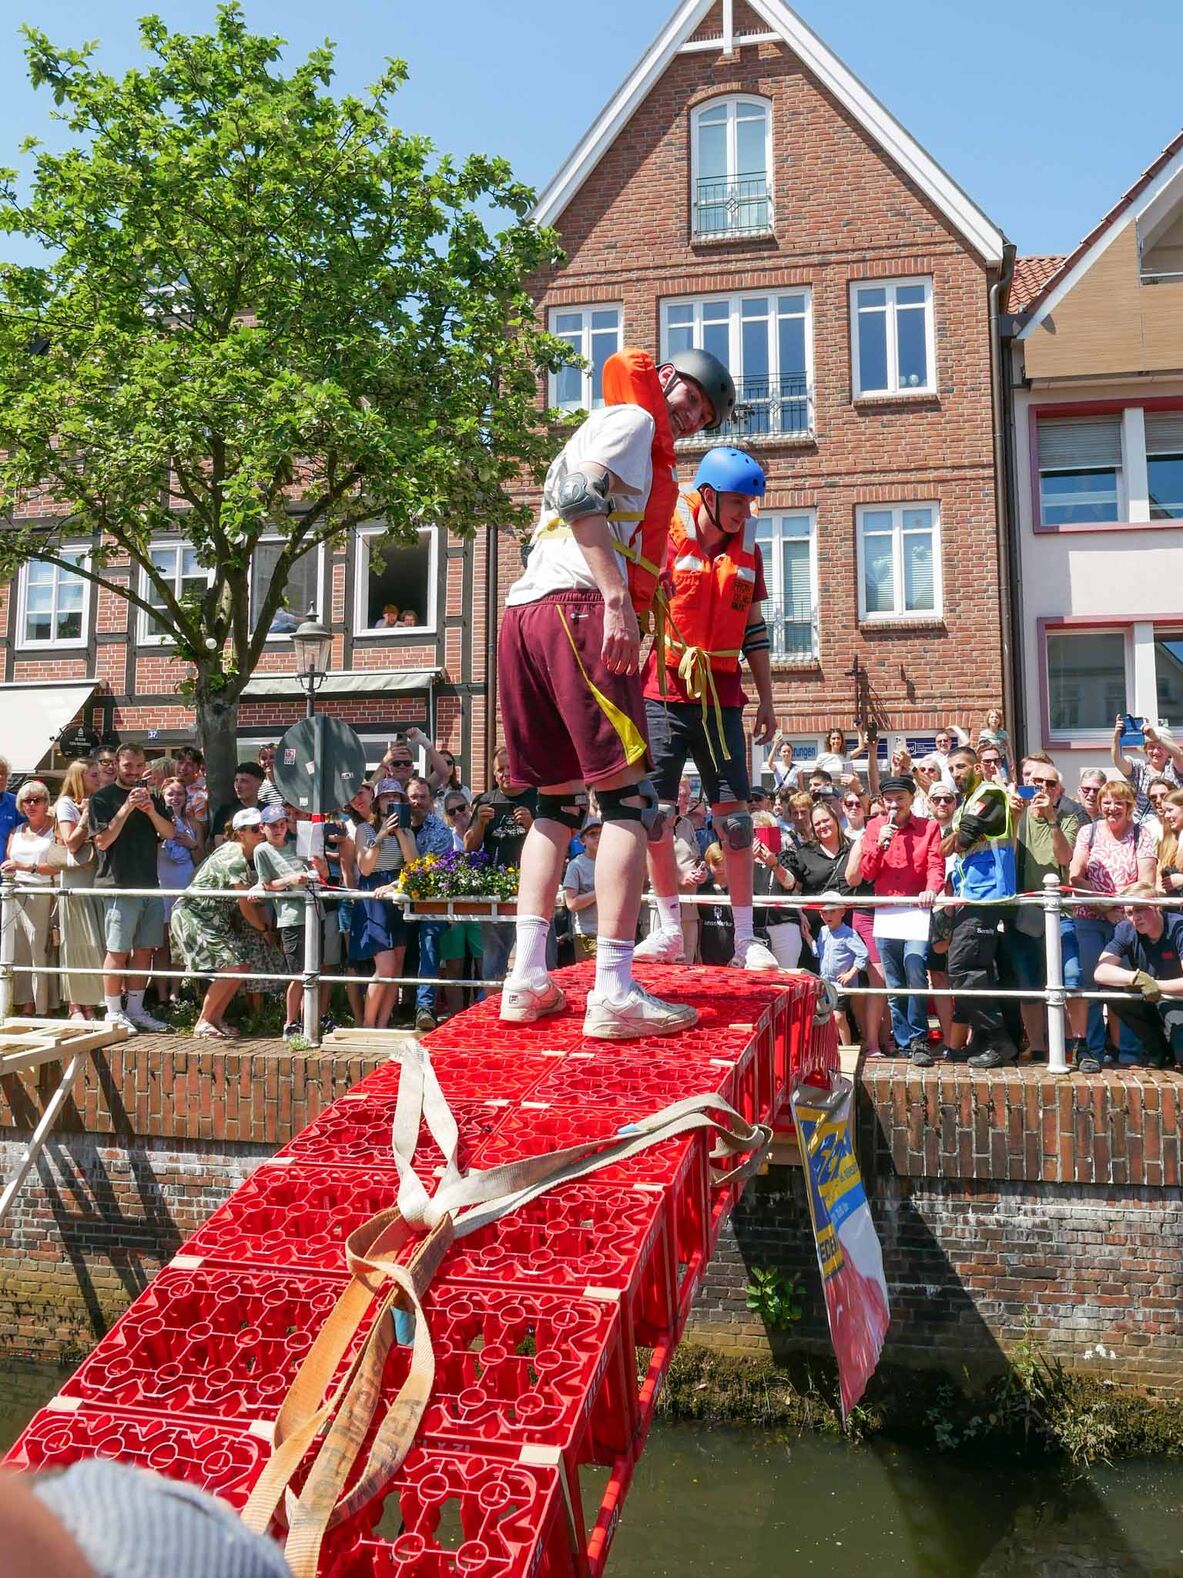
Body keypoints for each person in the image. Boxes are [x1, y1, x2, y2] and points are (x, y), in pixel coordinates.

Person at [495, 343, 734, 1038]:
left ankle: (526, 978)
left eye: (701, 416)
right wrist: (616, 602)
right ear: (665, 378)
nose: (689, 418)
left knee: (556, 803)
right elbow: (578, 500)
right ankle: (613, 990)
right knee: (629, 799)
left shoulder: (601, 424)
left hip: (527, 611)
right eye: (688, 400)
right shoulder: (632, 419)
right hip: (576, 609)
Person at [635, 447, 778, 973]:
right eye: (739, 502)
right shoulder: (666, 540)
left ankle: (746, 942)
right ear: (711, 497)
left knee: (736, 822)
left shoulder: (749, 552)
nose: (747, 513)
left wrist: (767, 698)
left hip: (722, 697)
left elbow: (755, 632)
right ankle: (669, 929)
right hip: (664, 692)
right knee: (656, 816)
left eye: (751, 503)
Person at [169, 808, 283, 1038]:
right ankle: (203, 1021)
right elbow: (245, 905)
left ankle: (215, 1019)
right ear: (240, 833)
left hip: (212, 919)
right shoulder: (235, 857)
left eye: (262, 827)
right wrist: (264, 930)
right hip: (195, 917)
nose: (260, 832)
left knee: (240, 967)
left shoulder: (245, 855)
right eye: (254, 829)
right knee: (232, 967)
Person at [1068, 778, 1157, 1068]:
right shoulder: (1087, 832)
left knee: (1127, 986)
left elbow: (1147, 882)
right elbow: (1076, 876)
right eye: (1107, 802)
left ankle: (1130, 1053)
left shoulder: (1142, 834)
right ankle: (1092, 1052)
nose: (1112, 807)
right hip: (1091, 918)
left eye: (1119, 802)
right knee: (1091, 983)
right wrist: (1106, 909)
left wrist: (1126, 912)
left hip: (1131, 921)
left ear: (1129, 806)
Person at [855, 775, 943, 1065]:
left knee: (915, 965)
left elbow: (935, 864)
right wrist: (880, 844)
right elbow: (867, 874)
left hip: (915, 909)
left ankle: (919, 1037)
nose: (894, 805)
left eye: (900, 798)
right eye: (889, 799)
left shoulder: (928, 828)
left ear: (911, 799)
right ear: (882, 802)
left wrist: (932, 889)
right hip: (887, 910)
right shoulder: (874, 827)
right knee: (893, 979)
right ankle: (905, 1041)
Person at [89, 743, 176, 1033]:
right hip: (118, 884)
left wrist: (151, 810)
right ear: (116, 764)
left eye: (139, 766)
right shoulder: (102, 798)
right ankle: (113, 1012)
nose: (134, 772)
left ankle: (136, 1009)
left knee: (144, 950)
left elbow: (169, 833)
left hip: (149, 883)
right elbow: (102, 841)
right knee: (117, 950)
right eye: (128, 766)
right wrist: (126, 807)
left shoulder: (151, 797)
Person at [942, 746, 1017, 1069]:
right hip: (972, 894)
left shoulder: (990, 793)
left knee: (961, 969)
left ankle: (999, 1040)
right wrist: (958, 837)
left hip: (989, 895)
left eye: (962, 766)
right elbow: (947, 845)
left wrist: (958, 837)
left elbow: (961, 840)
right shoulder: (966, 803)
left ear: (977, 767)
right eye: (952, 769)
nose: (957, 773)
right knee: (977, 972)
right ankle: (984, 1041)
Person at [466, 747, 540, 986]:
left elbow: (553, 842)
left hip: (534, 885)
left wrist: (531, 824)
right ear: (494, 774)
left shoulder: (537, 798)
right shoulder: (485, 801)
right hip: (495, 888)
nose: (506, 773)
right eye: (500, 769)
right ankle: (492, 1012)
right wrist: (480, 823)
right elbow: (469, 846)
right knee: (494, 959)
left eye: (510, 768)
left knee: (535, 957)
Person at [348, 780, 416, 1028]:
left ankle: (383, 1024)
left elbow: (414, 865)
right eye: (386, 797)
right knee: (385, 966)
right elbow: (365, 868)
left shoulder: (406, 831)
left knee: (396, 965)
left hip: (397, 892)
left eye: (396, 797)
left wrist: (399, 833)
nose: (390, 801)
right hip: (373, 896)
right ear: (377, 801)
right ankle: (367, 1023)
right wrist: (381, 835)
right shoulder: (364, 829)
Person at [1092, 884, 1183, 1070]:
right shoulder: (1125, 929)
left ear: (1158, 906)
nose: (1135, 918)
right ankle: (1157, 1050)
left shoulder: (1178, 927)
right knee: (1109, 990)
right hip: (1152, 999)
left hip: (1176, 1000)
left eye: (1141, 909)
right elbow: (1100, 972)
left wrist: (1154, 985)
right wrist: (1137, 979)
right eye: (1129, 912)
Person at [253, 802, 320, 1039]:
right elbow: (267, 884)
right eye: (273, 825)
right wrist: (292, 879)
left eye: (282, 824)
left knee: (312, 971)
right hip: (290, 918)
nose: (279, 829)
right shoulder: (262, 850)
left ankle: (308, 1020)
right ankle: (290, 1023)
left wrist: (315, 868)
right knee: (297, 973)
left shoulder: (297, 843)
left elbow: (317, 872)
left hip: (313, 912)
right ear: (263, 828)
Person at [52, 759, 105, 1023]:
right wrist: (85, 815)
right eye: (93, 775)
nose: (99, 778)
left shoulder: (97, 800)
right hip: (76, 879)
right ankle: (75, 1005)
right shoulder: (66, 804)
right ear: (79, 778)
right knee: (76, 942)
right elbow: (71, 843)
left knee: (95, 942)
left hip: (95, 878)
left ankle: (91, 1002)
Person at [2, 780, 59, 1015]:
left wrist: (26, 866)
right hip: (15, 894)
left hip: (42, 893)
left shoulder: (55, 829)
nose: (32, 804)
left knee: (39, 949)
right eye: (27, 800)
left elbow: (57, 866)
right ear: (21, 805)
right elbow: (8, 860)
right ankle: (23, 1002)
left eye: (38, 799)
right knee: (18, 951)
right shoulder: (17, 831)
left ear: (47, 802)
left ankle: (41, 1004)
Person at [402, 774, 453, 1030]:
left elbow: (425, 869)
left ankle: (425, 1007)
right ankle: (398, 1006)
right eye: (413, 797)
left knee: (429, 943)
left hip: (430, 902)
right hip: (396, 903)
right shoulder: (391, 826)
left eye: (423, 797)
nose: (418, 802)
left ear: (431, 800)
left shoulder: (441, 831)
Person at [152, 776, 200, 1008]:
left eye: (179, 793)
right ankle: (160, 995)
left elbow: (202, 860)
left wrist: (192, 845)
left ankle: (175, 993)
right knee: (160, 943)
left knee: (179, 942)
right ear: (162, 796)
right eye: (170, 793)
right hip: (162, 883)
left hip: (184, 883)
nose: (175, 798)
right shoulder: (154, 821)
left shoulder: (194, 824)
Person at [750, 810, 803, 967]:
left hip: (784, 926)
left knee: (786, 975)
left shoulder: (784, 856)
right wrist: (749, 860)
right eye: (754, 833)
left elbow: (789, 883)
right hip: (754, 927)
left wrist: (773, 863)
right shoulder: (742, 860)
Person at [816, 893, 868, 1044]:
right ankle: (832, 1046)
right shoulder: (823, 931)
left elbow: (863, 954)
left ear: (842, 912)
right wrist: (808, 938)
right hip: (826, 984)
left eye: (832, 911)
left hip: (842, 985)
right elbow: (820, 952)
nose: (828, 916)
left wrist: (851, 973)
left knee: (839, 1016)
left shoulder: (849, 933)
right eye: (824, 912)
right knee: (827, 1015)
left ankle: (846, 1047)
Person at [1111, 717, 1183, 816]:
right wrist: (1116, 738)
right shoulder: (1139, 768)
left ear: (1168, 750)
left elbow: (1178, 754)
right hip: (1145, 827)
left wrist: (1155, 737)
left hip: (1173, 822)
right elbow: (1118, 761)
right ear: (1145, 749)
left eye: (1160, 747)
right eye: (1151, 747)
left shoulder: (1175, 767)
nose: (1156, 752)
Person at [562, 819, 601, 960]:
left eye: (602, 833)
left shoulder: (616, 862)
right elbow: (572, 903)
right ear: (582, 841)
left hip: (615, 934)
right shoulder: (576, 865)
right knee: (590, 978)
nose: (598, 837)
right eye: (593, 834)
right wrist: (601, 892)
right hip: (587, 933)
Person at [209, 762, 265, 846]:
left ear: (259, 784)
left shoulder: (266, 810)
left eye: (244, 781)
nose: (238, 786)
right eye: (236, 780)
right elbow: (220, 845)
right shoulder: (224, 811)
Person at [1157, 788, 1183, 899]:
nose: (1166, 816)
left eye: (1170, 810)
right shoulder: (1170, 840)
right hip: (1173, 910)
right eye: (1164, 811)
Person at [0, 756, 23, 855]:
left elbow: (25, 834)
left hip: (6, 867)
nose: (0, 777)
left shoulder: (16, 803)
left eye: (3, 773)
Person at [256, 743, 284, 809]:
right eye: (264, 758)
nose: (267, 761)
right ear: (259, 763)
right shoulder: (257, 787)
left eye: (272, 757)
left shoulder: (290, 786)